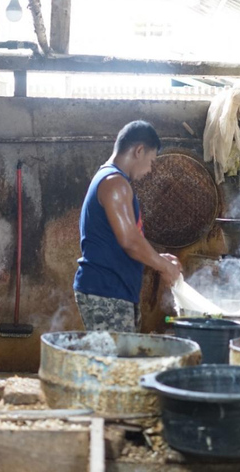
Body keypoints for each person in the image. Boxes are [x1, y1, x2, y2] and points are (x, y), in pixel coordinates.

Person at [73, 120, 182, 332]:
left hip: (112, 290)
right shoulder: (115, 183)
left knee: (119, 361)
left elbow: (131, 238)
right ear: (139, 151)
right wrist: (164, 267)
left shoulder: (111, 180)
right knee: (115, 363)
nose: (150, 170)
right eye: (151, 161)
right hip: (106, 292)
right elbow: (130, 242)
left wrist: (159, 259)